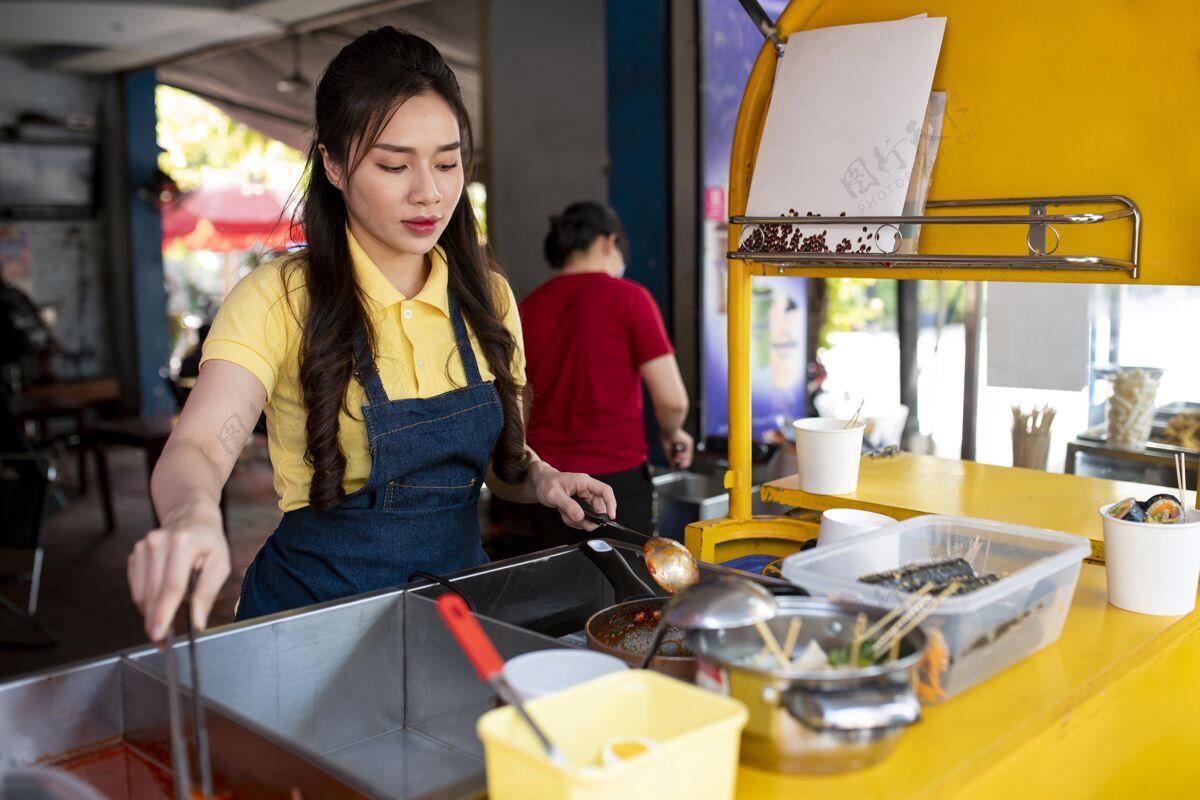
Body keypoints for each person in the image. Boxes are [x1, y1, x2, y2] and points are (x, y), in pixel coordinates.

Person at [126, 28, 616, 641]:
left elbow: (500, 469)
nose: (429, 192)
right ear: (332, 164)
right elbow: (198, 445)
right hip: (310, 620)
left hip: (454, 614)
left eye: (447, 161)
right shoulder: (280, 298)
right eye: (393, 164)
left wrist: (542, 479)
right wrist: (191, 516)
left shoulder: (486, 297)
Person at [519, 202, 693, 545]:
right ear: (608, 243)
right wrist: (673, 434)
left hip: (545, 487)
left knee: (557, 592)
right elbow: (672, 400)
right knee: (628, 592)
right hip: (616, 485)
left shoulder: (527, 307)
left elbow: (517, 403)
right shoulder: (630, 298)